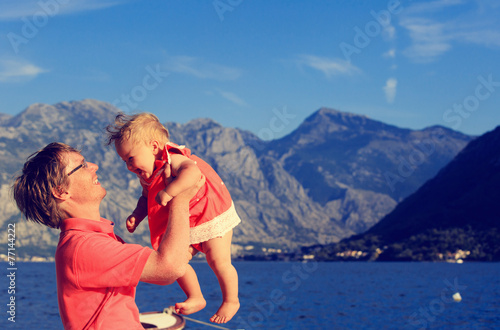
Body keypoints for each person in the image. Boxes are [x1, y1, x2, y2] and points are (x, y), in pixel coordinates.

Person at [12, 142, 203, 329]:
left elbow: (167, 271)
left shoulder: (90, 240)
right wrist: (181, 199)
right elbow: (169, 268)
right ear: (61, 191)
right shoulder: (84, 247)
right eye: (83, 165)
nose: (94, 166)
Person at [105, 113, 241, 324]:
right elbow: (145, 197)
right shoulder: (147, 175)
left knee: (218, 261)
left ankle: (231, 300)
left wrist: (170, 191)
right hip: (188, 222)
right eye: (125, 162)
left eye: (131, 158)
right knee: (175, 261)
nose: (129, 167)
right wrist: (137, 215)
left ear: (154, 146)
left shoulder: (172, 158)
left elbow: (193, 174)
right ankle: (196, 296)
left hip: (210, 214)